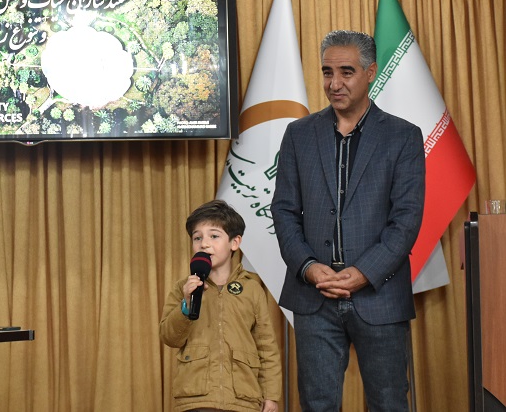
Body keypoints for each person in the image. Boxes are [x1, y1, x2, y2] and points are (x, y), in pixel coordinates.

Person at [272, 30, 426, 411]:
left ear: (370, 73)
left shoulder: (403, 137)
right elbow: (284, 211)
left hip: (379, 295)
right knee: (317, 404)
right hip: (314, 296)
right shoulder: (298, 134)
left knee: (389, 403)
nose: (334, 83)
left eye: (346, 72)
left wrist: (363, 273)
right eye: (327, 72)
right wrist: (309, 268)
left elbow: (406, 220)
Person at [160, 199, 281, 412]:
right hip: (197, 398)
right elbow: (170, 337)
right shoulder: (183, 288)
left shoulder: (252, 288)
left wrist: (271, 395)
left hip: (242, 399)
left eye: (214, 236)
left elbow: (266, 346)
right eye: (197, 237)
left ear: (235, 242)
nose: (204, 244)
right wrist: (186, 304)